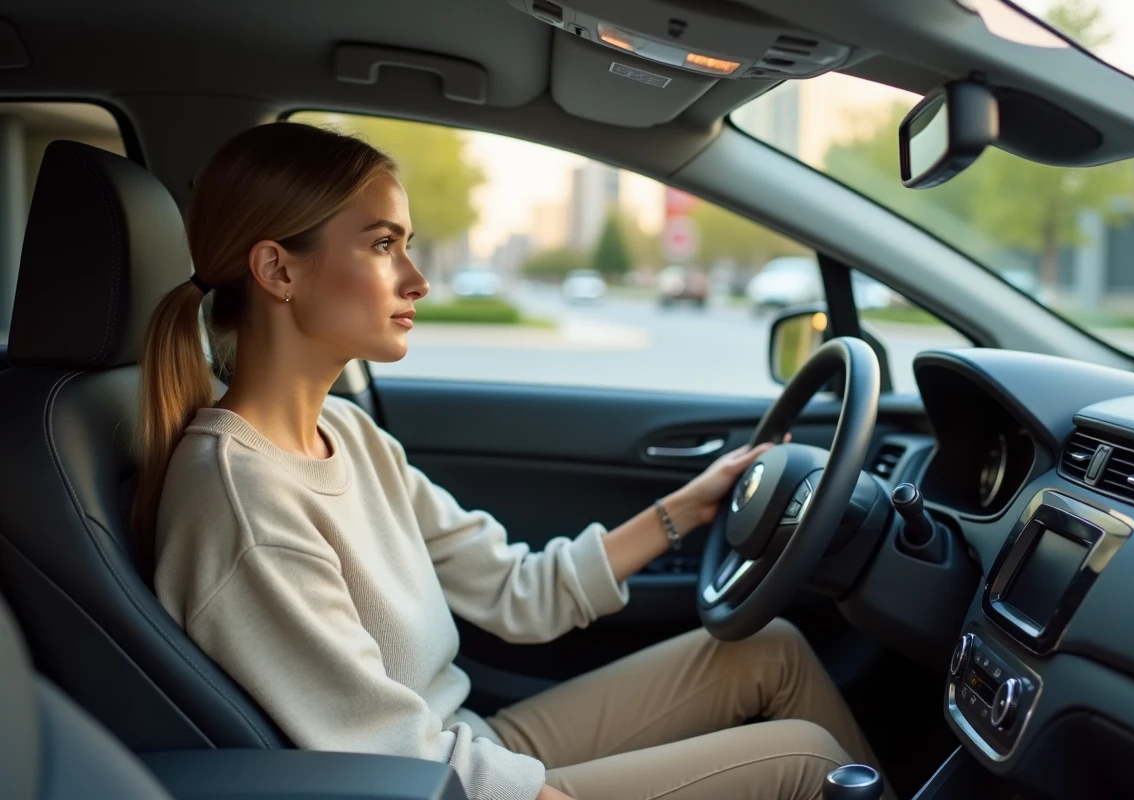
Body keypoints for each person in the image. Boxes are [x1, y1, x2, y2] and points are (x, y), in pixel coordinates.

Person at [137, 122, 891, 800]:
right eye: (380, 244)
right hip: (441, 786)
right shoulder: (243, 500)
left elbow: (516, 590)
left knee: (771, 653)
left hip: (469, 750)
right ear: (278, 270)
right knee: (810, 763)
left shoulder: (349, 432)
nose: (417, 279)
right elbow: (391, 758)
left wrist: (692, 505)